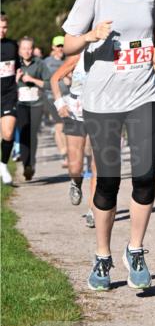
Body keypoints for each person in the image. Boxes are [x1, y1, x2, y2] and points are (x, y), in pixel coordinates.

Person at [63, 0, 155, 292]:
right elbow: (67, 45)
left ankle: (136, 249)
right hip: (103, 98)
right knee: (108, 180)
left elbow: (154, 35)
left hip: (144, 92)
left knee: (145, 175)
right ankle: (101, 256)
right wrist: (90, 36)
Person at [51, 52, 97, 223]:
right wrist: (59, 103)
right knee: (74, 167)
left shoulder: (109, 57)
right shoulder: (78, 57)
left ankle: (94, 209)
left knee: (96, 164)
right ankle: (75, 182)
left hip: (99, 114)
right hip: (74, 114)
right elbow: (55, 78)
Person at [16, 36, 49, 180]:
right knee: (24, 132)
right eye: (24, 48)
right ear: (19, 49)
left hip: (36, 103)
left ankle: (32, 162)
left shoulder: (40, 63)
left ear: (33, 49)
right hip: (20, 104)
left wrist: (33, 80)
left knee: (32, 134)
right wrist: (15, 79)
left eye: (29, 48)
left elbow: (48, 84)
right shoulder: (15, 64)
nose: (27, 51)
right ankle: (26, 165)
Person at [42, 35, 68, 167]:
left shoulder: (69, 60)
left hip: (68, 96)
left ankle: (66, 154)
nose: (61, 48)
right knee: (60, 124)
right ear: (53, 47)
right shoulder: (47, 62)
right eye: (58, 46)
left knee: (67, 125)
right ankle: (64, 153)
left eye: (63, 45)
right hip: (51, 97)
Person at [0, 13, 20, 185]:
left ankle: (3, 165)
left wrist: (19, 77)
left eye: (5, 27)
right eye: (0, 27)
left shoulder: (12, 45)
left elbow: (17, 68)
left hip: (8, 95)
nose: (2, 31)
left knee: (8, 133)